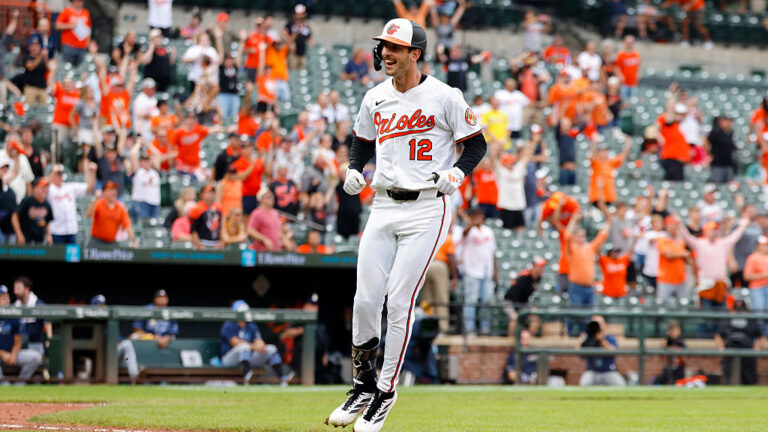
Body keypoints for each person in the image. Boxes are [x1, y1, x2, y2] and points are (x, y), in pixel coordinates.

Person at [327, 18, 486, 431]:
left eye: (395, 47)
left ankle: (384, 390)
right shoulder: (375, 97)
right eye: (383, 46)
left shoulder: (444, 95)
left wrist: (458, 173)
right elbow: (361, 139)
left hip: (427, 208)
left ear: (416, 54)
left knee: (399, 302)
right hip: (382, 204)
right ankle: (361, 384)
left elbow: (477, 141)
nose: (386, 53)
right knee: (364, 301)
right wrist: (353, 168)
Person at [221, 300, 293, 385]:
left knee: (271, 349)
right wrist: (255, 347)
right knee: (243, 347)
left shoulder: (251, 325)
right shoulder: (228, 325)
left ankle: (282, 379)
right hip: (229, 359)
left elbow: (259, 341)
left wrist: (260, 346)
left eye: (245, 312)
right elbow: (235, 342)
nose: (243, 315)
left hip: (247, 358)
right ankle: (247, 377)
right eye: (241, 312)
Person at [90, 294, 140, 384]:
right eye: (99, 305)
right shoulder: (91, 322)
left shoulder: (110, 321)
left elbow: (119, 342)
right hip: (99, 356)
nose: (102, 307)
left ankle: (134, 376)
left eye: (103, 305)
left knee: (127, 346)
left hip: (114, 355)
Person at [565, 211, 610, 309]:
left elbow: (601, 237)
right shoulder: (572, 248)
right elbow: (567, 236)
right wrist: (574, 220)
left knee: (589, 316)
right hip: (576, 287)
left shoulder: (589, 248)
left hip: (589, 287)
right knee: (576, 314)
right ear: (575, 237)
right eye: (580, 236)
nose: (583, 238)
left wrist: (608, 221)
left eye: (584, 236)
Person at [715, 300, 765, 385]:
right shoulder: (727, 320)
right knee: (729, 373)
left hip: (747, 350)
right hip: (730, 348)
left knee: (748, 375)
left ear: (745, 311)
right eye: (737, 310)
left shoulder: (751, 321)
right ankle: (729, 385)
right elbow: (718, 335)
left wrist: (756, 348)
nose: (739, 313)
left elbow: (761, 336)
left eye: (741, 310)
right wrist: (721, 348)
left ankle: (749, 385)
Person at [0, 285, 43, 383]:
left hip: (12, 353)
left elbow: (18, 340)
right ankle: (3, 385)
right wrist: (3, 354)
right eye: (2, 298)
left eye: (7, 297)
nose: (5, 300)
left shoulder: (13, 315)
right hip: (2, 354)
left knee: (36, 357)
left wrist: (13, 354)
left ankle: (19, 385)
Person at [48, 163, 94, 244]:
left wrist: (93, 172)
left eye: (61, 174)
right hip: (56, 231)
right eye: (57, 174)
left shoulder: (69, 187)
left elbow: (89, 188)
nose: (60, 176)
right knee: (56, 256)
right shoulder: (50, 189)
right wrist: (53, 171)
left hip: (71, 230)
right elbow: (44, 186)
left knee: (72, 256)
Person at [86, 181, 138, 247]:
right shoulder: (99, 203)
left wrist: (133, 241)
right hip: (96, 241)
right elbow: (88, 215)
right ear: (104, 192)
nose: (114, 192)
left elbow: (128, 226)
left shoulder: (120, 207)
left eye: (114, 190)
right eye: (111, 190)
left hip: (111, 242)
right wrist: (95, 199)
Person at [503, 257, 547, 335]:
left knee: (535, 316)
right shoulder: (525, 277)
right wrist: (518, 310)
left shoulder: (538, 278)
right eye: (540, 266)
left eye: (542, 267)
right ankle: (510, 339)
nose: (541, 269)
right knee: (514, 317)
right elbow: (513, 295)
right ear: (534, 266)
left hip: (523, 302)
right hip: (511, 301)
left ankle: (529, 339)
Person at [579, 316, 625, 386]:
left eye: (600, 324)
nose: (598, 327)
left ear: (604, 325)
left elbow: (613, 351)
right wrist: (583, 339)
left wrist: (601, 339)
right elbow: (579, 352)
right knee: (584, 383)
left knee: (621, 384)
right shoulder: (588, 338)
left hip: (608, 371)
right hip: (592, 371)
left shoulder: (609, 338)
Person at [658, 83, 690, 181]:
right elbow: (670, 110)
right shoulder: (669, 124)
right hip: (671, 160)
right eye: (678, 114)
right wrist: (673, 94)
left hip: (679, 161)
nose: (680, 116)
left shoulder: (679, 126)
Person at [13, 276, 52, 356]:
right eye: (14, 288)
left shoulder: (37, 304)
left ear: (27, 289)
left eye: (18, 288)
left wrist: (49, 340)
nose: (15, 291)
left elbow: (47, 324)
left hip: (35, 344)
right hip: (18, 345)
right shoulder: (15, 305)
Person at [588, 136, 631, 207]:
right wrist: (594, 143)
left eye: (605, 151)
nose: (604, 153)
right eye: (602, 151)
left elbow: (622, 156)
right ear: (598, 152)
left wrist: (627, 145)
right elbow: (591, 156)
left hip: (609, 196)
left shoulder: (610, 162)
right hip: (597, 196)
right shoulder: (596, 162)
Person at [11, 177, 53, 245]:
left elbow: (47, 222)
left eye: (47, 187)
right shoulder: (27, 201)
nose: (45, 190)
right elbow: (14, 217)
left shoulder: (47, 204)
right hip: (26, 240)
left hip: (39, 241)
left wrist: (49, 235)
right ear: (35, 188)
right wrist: (19, 235)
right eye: (42, 187)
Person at [54, 0, 91, 66]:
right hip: (69, 46)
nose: (80, 2)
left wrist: (88, 44)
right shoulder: (66, 11)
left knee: (81, 69)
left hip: (82, 47)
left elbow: (88, 29)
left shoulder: (86, 12)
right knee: (67, 68)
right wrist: (70, 25)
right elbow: (57, 25)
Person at [189, 184, 223, 249]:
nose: (211, 194)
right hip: (202, 242)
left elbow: (221, 226)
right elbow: (193, 229)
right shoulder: (196, 209)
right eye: (207, 192)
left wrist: (222, 241)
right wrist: (198, 243)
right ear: (201, 195)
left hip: (216, 243)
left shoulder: (219, 208)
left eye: (212, 192)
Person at [653, 320, 687, 385]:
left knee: (674, 383)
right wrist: (665, 347)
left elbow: (684, 358)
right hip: (668, 371)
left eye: (675, 330)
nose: (673, 333)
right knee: (657, 380)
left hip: (678, 372)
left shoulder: (681, 342)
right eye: (671, 330)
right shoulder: (667, 341)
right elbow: (660, 358)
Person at [130, 153, 161, 220]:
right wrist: (139, 143)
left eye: (148, 160)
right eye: (144, 161)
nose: (146, 163)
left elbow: (157, 154)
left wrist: (147, 143)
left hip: (155, 202)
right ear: (140, 162)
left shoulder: (154, 172)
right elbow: (133, 155)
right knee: (142, 226)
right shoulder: (137, 171)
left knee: (154, 227)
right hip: (141, 202)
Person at [283, 5, 313, 70]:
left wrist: (311, 44)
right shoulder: (291, 23)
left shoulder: (305, 25)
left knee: (301, 73)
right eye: (300, 14)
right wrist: (290, 42)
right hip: (293, 53)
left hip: (302, 53)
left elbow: (309, 37)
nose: (301, 16)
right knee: (292, 71)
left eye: (303, 14)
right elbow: (284, 34)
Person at [707, 116, 736, 184]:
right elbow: (707, 142)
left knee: (730, 186)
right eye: (727, 121)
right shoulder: (716, 132)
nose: (729, 123)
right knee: (717, 184)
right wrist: (709, 154)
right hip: (718, 164)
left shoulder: (730, 133)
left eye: (730, 121)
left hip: (728, 164)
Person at [743, 235, 768, 312]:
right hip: (757, 288)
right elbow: (746, 276)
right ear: (758, 246)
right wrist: (764, 275)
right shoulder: (752, 258)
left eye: (766, 245)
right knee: (759, 311)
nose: (765, 247)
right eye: (763, 245)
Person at [22, 37, 49, 107]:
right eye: (33, 45)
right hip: (30, 88)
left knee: (44, 110)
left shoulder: (43, 57)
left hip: (42, 88)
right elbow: (30, 67)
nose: (36, 48)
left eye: (37, 45)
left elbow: (48, 69)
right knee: (29, 109)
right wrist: (40, 56)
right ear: (29, 47)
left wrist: (45, 57)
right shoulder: (27, 57)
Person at [614, 36, 641, 103]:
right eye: (628, 43)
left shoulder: (636, 55)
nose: (629, 44)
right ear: (625, 43)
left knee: (633, 102)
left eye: (631, 43)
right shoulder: (620, 55)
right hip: (624, 83)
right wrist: (619, 75)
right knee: (624, 102)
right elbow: (616, 68)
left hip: (634, 83)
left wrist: (638, 73)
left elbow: (638, 67)